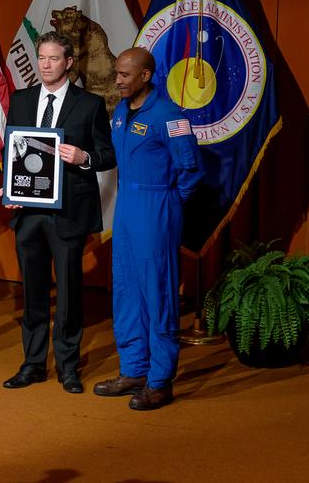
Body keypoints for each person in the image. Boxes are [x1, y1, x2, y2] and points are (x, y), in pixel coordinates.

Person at [2, 30, 115, 394]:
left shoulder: (90, 104)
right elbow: (12, 153)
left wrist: (84, 159)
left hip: (69, 213)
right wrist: (9, 187)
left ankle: (68, 367)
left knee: (67, 293)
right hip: (29, 213)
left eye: (53, 58)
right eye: (41, 58)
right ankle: (32, 364)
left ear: (68, 62)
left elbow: (107, 155)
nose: (46, 65)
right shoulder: (20, 100)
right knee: (32, 292)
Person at [93, 48, 203, 411]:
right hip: (126, 207)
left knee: (157, 292)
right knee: (125, 288)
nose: (118, 80)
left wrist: (167, 204)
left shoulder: (170, 116)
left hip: (156, 207)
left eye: (125, 75)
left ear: (145, 76)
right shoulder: (122, 111)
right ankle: (133, 370)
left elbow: (191, 171)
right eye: (117, 74)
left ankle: (159, 380)